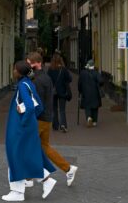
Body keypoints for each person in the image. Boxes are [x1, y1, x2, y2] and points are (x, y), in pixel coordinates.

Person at [2, 61, 57, 201]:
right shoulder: (28, 83)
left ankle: (17, 192)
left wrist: (23, 122)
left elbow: (31, 107)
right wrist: (28, 116)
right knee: (25, 156)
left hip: (21, 129)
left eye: (14, 69)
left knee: (15, 156)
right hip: (28, 127)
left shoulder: (21, 86)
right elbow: (39, 107)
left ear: (19, 72)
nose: (13, 71)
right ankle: (45, 180)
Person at [25, 52, 78, 187]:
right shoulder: (45, 77)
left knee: (27, 146)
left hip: (39, 119)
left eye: (29, 63)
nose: (27, 65)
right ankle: (68, 168)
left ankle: (30, 178)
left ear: (37, 63)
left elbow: (37, 103)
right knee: (45, 147)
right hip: (47, 118)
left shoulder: (38, 81)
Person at [47, 53, 72, 132]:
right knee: (62, 109)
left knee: (54, 109)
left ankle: (55, 125)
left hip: (53, 92)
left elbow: (48, 80)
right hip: (62, 92)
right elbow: (69, 79)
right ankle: (63, 125)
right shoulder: (64, 70)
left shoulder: (50, 69)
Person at [78, 59, 104, 127]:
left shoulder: (83, 73)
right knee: (95, 107)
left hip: (85, 93)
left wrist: (80, 90)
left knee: (87, 106)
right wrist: (99, 85)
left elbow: (79, 83)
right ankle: (95, 121)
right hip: (95, 93)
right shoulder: (96, 73)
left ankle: (89, 117)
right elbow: (101, 81)